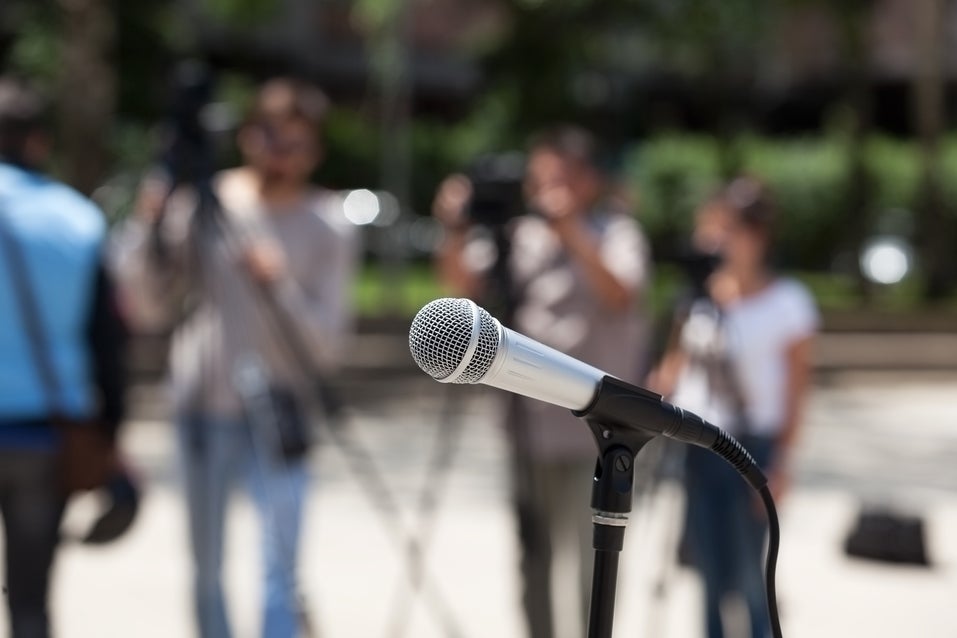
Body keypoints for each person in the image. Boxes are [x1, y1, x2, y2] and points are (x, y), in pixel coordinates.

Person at [111, 77, 357, 638]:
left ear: (316, 149)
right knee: (206, 569)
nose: (281, 154)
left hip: (284, 409)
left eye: (296, 143)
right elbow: (147, 305)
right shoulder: (204, 201)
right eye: (270, 137)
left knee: (281, 571)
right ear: (246, 136)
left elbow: (327, 345)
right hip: (203, 404)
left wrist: (279, 284)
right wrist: (149, 220)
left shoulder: (329, 223)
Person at [433, 126, 651, 638]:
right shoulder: (517, 238)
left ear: (589, 180)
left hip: (597, 433)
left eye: (562, 177)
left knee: (595, 558)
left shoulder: (617, 233)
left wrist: (572, 231)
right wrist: (455, 228)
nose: (548, 189)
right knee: (533, 557)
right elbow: (460, 286)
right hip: (527, 425)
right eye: (540, 179)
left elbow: (621, 294)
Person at [650, 177, 818, 638]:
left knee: (750, 578)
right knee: (707, 575)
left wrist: (783, 462)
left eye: (729, 230)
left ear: (758, 236)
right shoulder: (697, 298)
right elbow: (673, 368)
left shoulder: (789, 303)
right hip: (698, 447)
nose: (717, 241)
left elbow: (797, 392)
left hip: (752, 447)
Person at [0, 77, 126, 638]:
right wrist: (111, 434)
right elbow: (108, 341)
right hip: (46, 433)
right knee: (31, 605)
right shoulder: (78, 218)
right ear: (39, 142)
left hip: (39, 432)